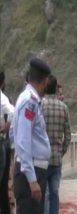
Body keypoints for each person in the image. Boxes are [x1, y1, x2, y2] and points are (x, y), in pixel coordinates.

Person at [12, 58, 51, 214]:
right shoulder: (29, 101)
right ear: (44, 80)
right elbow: (23, 141)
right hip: (31, 172)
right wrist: (32, 180)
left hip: (33, 170)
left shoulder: (29, 99)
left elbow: (14, 133)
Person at [42, 75, 71, 214]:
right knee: (54, 193)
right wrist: (61, 151)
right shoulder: (64, 108)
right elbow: (68, 136)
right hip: (57, 159)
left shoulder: (39, 105)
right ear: (55, 89)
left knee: (45, 195)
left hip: (42, 158)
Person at [0, 69, 15, 214]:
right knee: (3, 185)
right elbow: (13, 112)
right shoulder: (3, 97)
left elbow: (12, 112)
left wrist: (6, 126)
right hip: (3, 143)